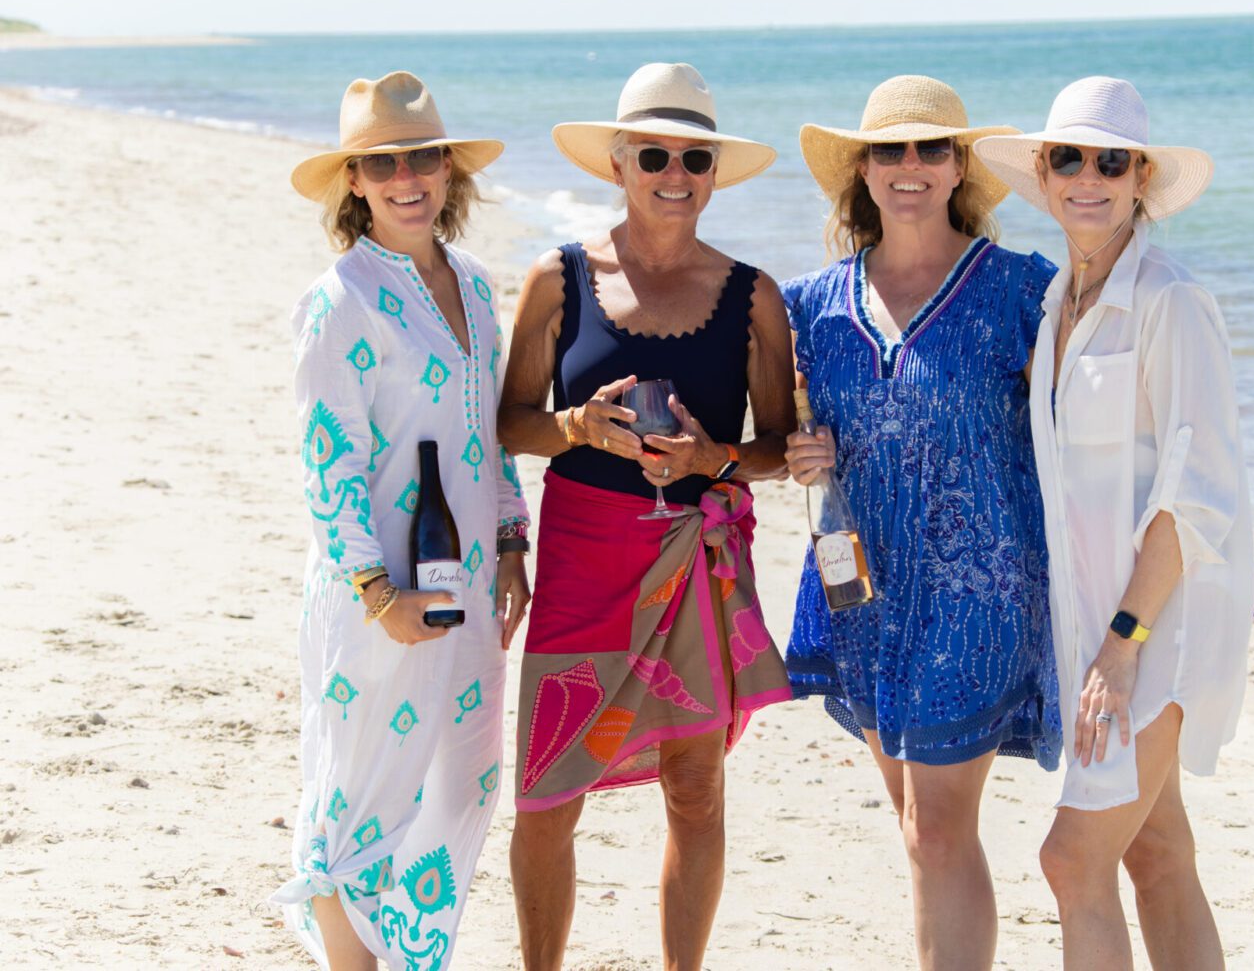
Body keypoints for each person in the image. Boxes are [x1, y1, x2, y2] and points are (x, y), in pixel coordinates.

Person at [497, 62, 796, 971]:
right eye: (656, 154)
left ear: (713, 173)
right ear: (619, 166)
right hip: (584, 562)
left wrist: (710, 460)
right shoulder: (558, 279)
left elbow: (778, 446)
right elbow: (508, 424)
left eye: (694, 158)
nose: (677, 173)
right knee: (548, 793)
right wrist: (577, 427)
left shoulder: (756, 297)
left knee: (697, 789)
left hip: (693, 568)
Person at [781, 74, 1062, 971]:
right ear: (861, 171)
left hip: (981, 587)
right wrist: (798, 451)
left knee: (939, 830)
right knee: (914, 827)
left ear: (958, 167)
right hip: (862, 585)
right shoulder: (811, 306)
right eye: (890, 150)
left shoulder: (1022, 290)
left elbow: (1095, 425)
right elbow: (775, 430)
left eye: (930, 148)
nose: (910, 166)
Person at [974, 76, 1253, 969]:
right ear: (1045, 176)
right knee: (1157, 850)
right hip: (1092, 622)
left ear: (1140, 180)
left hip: (1153, 627)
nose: (1086, 176)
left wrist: (1125, 641)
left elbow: (1195, 491)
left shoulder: (1170, 301)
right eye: (1068, 157)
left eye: (1110, 161)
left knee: (1070, 859)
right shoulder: (1060, 301)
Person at [270, 71, 531, 971]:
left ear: (449, 167)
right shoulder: (338, 299)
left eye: (422, 156)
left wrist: (509, 539)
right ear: (355, 182)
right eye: (383, 163)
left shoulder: (478, 286)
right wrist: (376, 590)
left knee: (465, 791)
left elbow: (489, 430)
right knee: (361, 802)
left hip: (468, 588)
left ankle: (413, 954)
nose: (407, 176)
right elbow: (325, 459)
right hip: (376, 595)